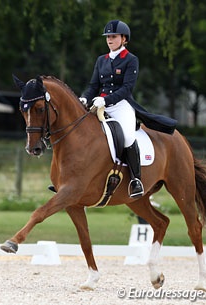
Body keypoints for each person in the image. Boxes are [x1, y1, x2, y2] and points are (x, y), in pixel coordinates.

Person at [80, 20, 144, 198]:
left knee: (127, 138)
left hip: (121, 105)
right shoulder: (102, 60)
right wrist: (85, 97)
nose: (110, 39)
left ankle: (136, 180)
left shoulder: (131, 60)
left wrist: (106, 100)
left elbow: (126, 89)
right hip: (99, 104)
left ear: (124, 39)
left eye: (113, 36)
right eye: (108, 37)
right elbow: (93, 85)